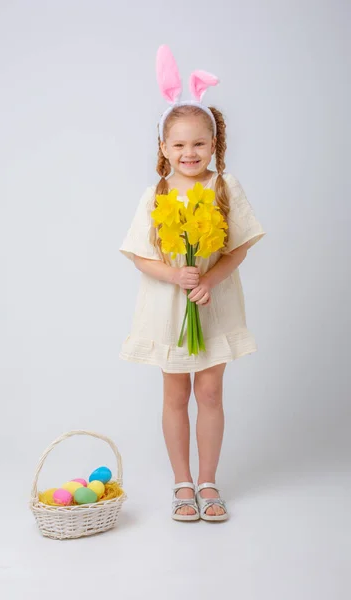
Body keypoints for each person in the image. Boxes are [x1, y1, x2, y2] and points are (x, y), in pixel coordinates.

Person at [119, 46, 266, 522]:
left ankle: (208, 479)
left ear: (214, 145)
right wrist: (173, 274)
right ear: (164, 148)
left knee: (210, 393)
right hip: (168, 308)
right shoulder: (155, 195)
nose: (189, 153)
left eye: (199, 144)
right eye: (179, 145)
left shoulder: (225, 188)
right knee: (175, 393)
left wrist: (209, 278)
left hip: (213, 303)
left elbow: (239, 246)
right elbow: (139, 253)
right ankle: (182, 482)